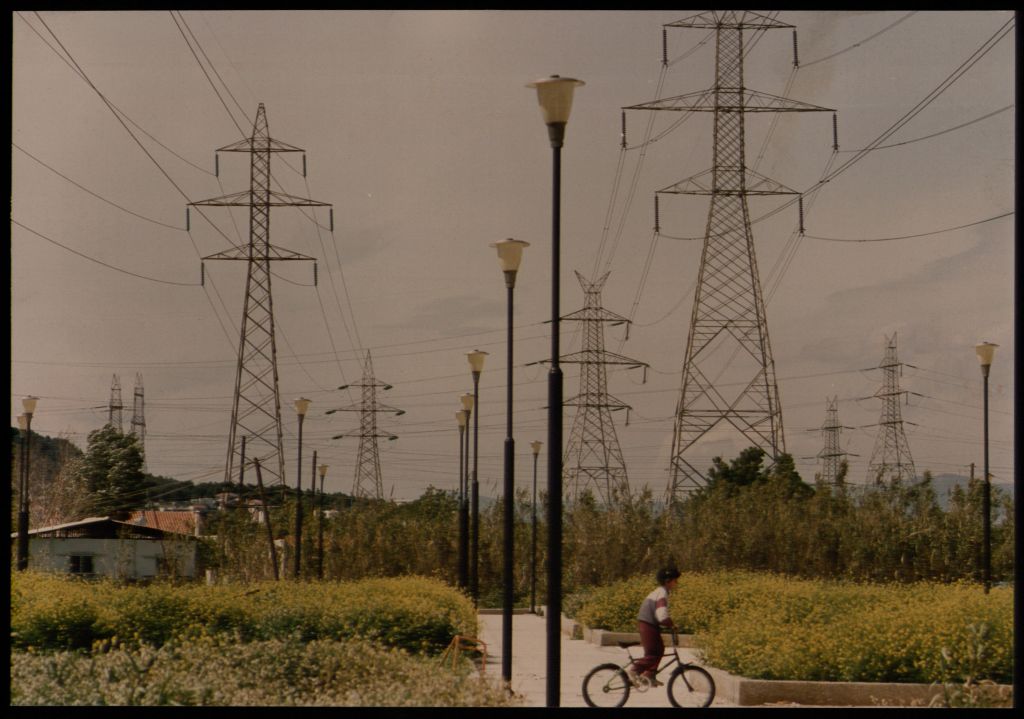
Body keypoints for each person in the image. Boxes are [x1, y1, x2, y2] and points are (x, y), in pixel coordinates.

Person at [631, 566, 680, 687]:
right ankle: (635, 670)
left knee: (659, 650)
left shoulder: (660, 591)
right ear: (668, 581)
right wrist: (671, 625)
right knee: (653, 654)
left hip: (648, 624)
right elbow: (661, 615)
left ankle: (649, 675)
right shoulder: (662, 593)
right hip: (648, 624)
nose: (677, 583)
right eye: (675, 580)